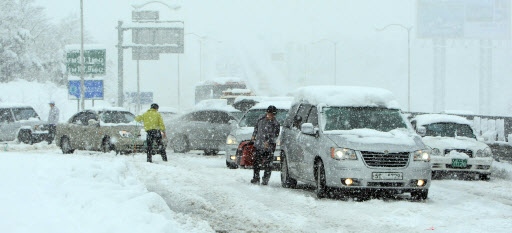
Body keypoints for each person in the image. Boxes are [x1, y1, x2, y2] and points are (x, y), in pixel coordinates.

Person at [250, 105, 281, 185]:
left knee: (268, 164)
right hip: (259, 144)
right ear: (267, 112)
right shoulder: (261, 119)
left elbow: (276, 135)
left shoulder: (276, 123)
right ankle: (256, 178)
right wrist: (254, 135)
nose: (271, 116)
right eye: (270, 114)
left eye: (273, 115)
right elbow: (256, 127)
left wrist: (269, 141)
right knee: (256, 162)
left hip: (269, 147)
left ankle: (265, 179)